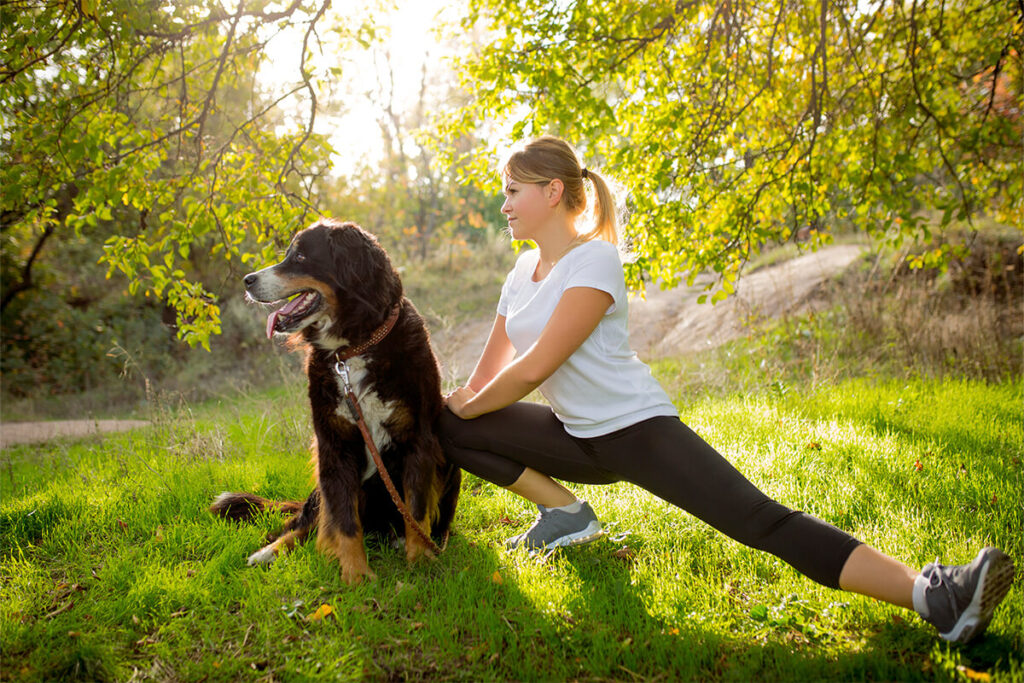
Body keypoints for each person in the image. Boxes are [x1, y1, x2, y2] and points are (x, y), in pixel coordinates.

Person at [439, 135, 1015, 644]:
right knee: (444, 422)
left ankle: (934, 595)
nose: (504, 204)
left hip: (638, 432)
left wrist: (470, 403)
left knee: (760, 520)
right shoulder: (520, 274)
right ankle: (565, 513)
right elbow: (488, 376)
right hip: (574, 435)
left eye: (513, 191)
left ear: (552, 191)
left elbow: (536, 367)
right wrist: (452, 404)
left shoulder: (594, 259)